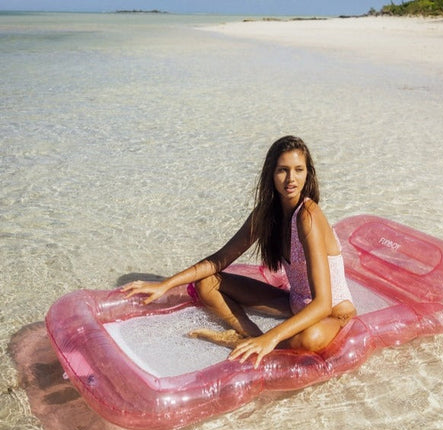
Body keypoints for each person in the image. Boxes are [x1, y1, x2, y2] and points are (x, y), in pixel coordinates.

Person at [122, 136, 356, 368]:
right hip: (295, 302)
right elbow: (219, 260)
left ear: (308, 173)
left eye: (298, 170)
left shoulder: (308, 215)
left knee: (307, 339)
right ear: (271, 174)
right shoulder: (266, 215)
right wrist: (166, 284)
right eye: (282, 170)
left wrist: (271, 337)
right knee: (207, 283)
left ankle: (258, 342)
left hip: (333, 314)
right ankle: (246, 335)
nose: (291, 178)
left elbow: (323, 303)